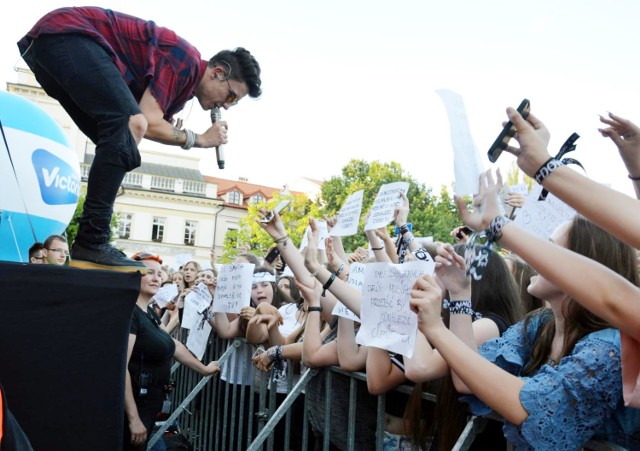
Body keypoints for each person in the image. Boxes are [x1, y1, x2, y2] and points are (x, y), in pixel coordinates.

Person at [18, 6, 262, 272]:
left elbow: (144, 127)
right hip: (68, 34)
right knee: (127, 129)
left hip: (47, 47)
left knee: (115, 140)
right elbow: (144, 122)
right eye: (230, 97)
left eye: (233, 104)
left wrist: (167, 128)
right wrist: (200, 139)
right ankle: (92, 240)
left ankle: (91, 241)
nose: (226, 106)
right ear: (217, 72)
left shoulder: (182, 92)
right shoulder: (187, 59)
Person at [412, 171, 640, 449]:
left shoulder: (610, 346)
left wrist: (435, 328)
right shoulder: (539, 325)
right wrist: (460, 293)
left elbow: (531, 408)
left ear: (580, 270)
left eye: (549, 248)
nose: (534, 254)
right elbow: (466, 379)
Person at [124, 252, 219, 450]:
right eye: (149, 272)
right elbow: (119, 367)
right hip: (134, 410)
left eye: (159, 273)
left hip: (148, 406)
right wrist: (133, 418)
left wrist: (203, 369)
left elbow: (173, 344)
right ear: (133, 275)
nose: (156, 277)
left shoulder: (146, 312)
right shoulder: (130, 313)